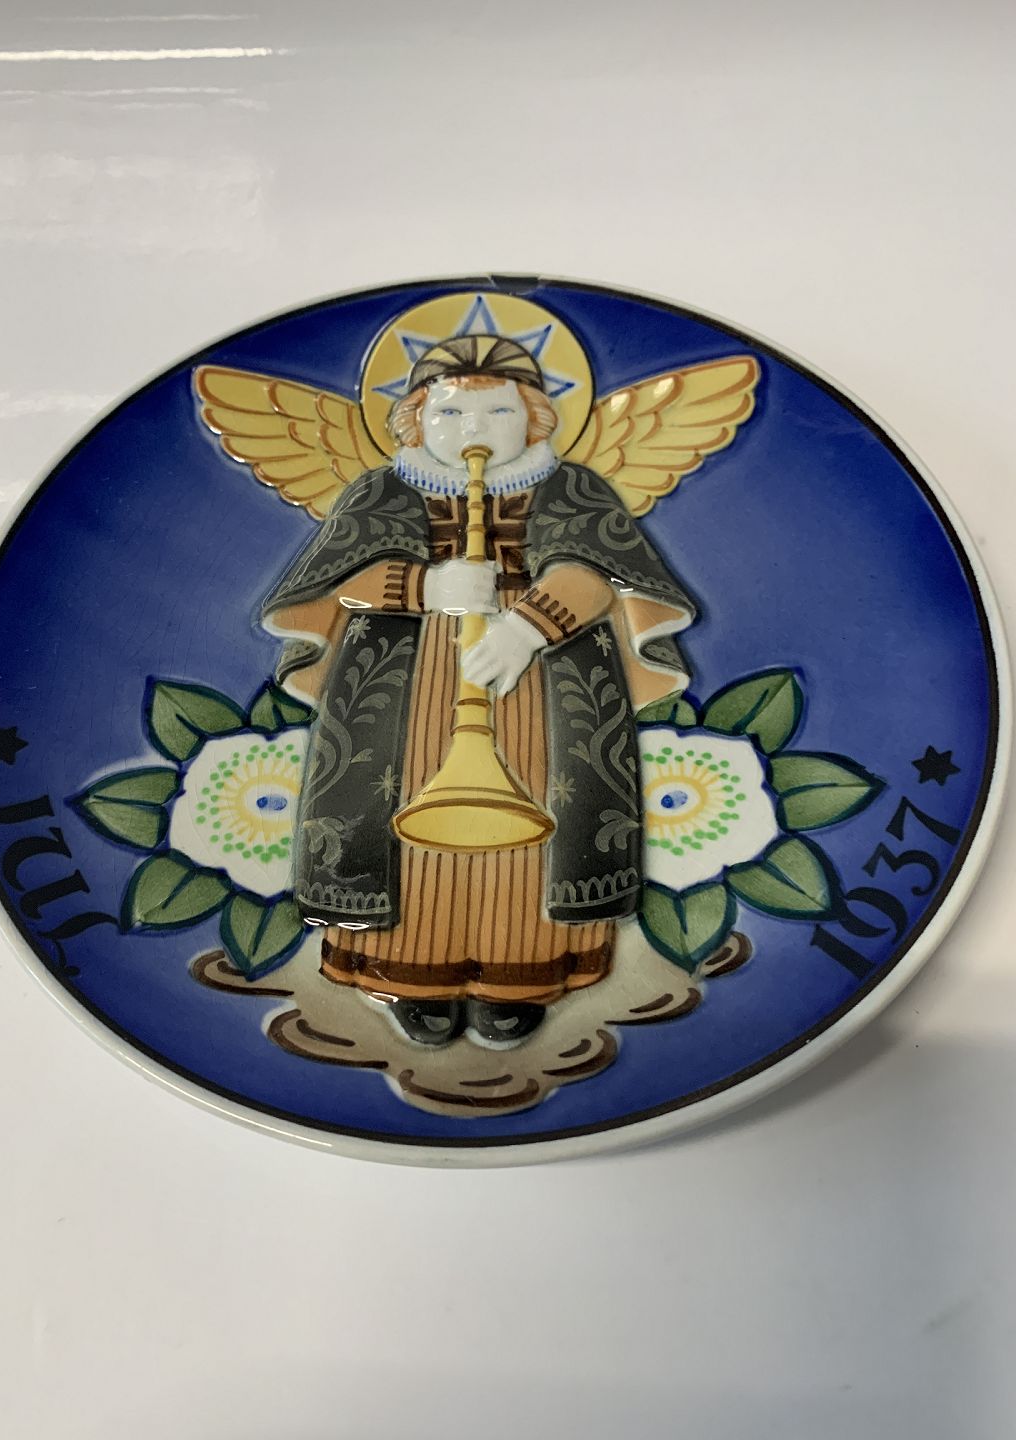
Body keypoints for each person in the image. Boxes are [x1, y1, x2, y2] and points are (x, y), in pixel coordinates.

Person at [260, 335, 697, 1046]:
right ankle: (411, 973)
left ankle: (519, 972)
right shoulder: (380, 492)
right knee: (399, 814)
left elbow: (599, 575)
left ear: (535, 419)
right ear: (414, 422)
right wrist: (423, 585)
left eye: (498, 414)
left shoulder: (571, 489)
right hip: (407, 677)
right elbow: (333, 586)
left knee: (540, 816)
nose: (475, 431)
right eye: (451, 415)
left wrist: (528, 627)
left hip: (543, 676)